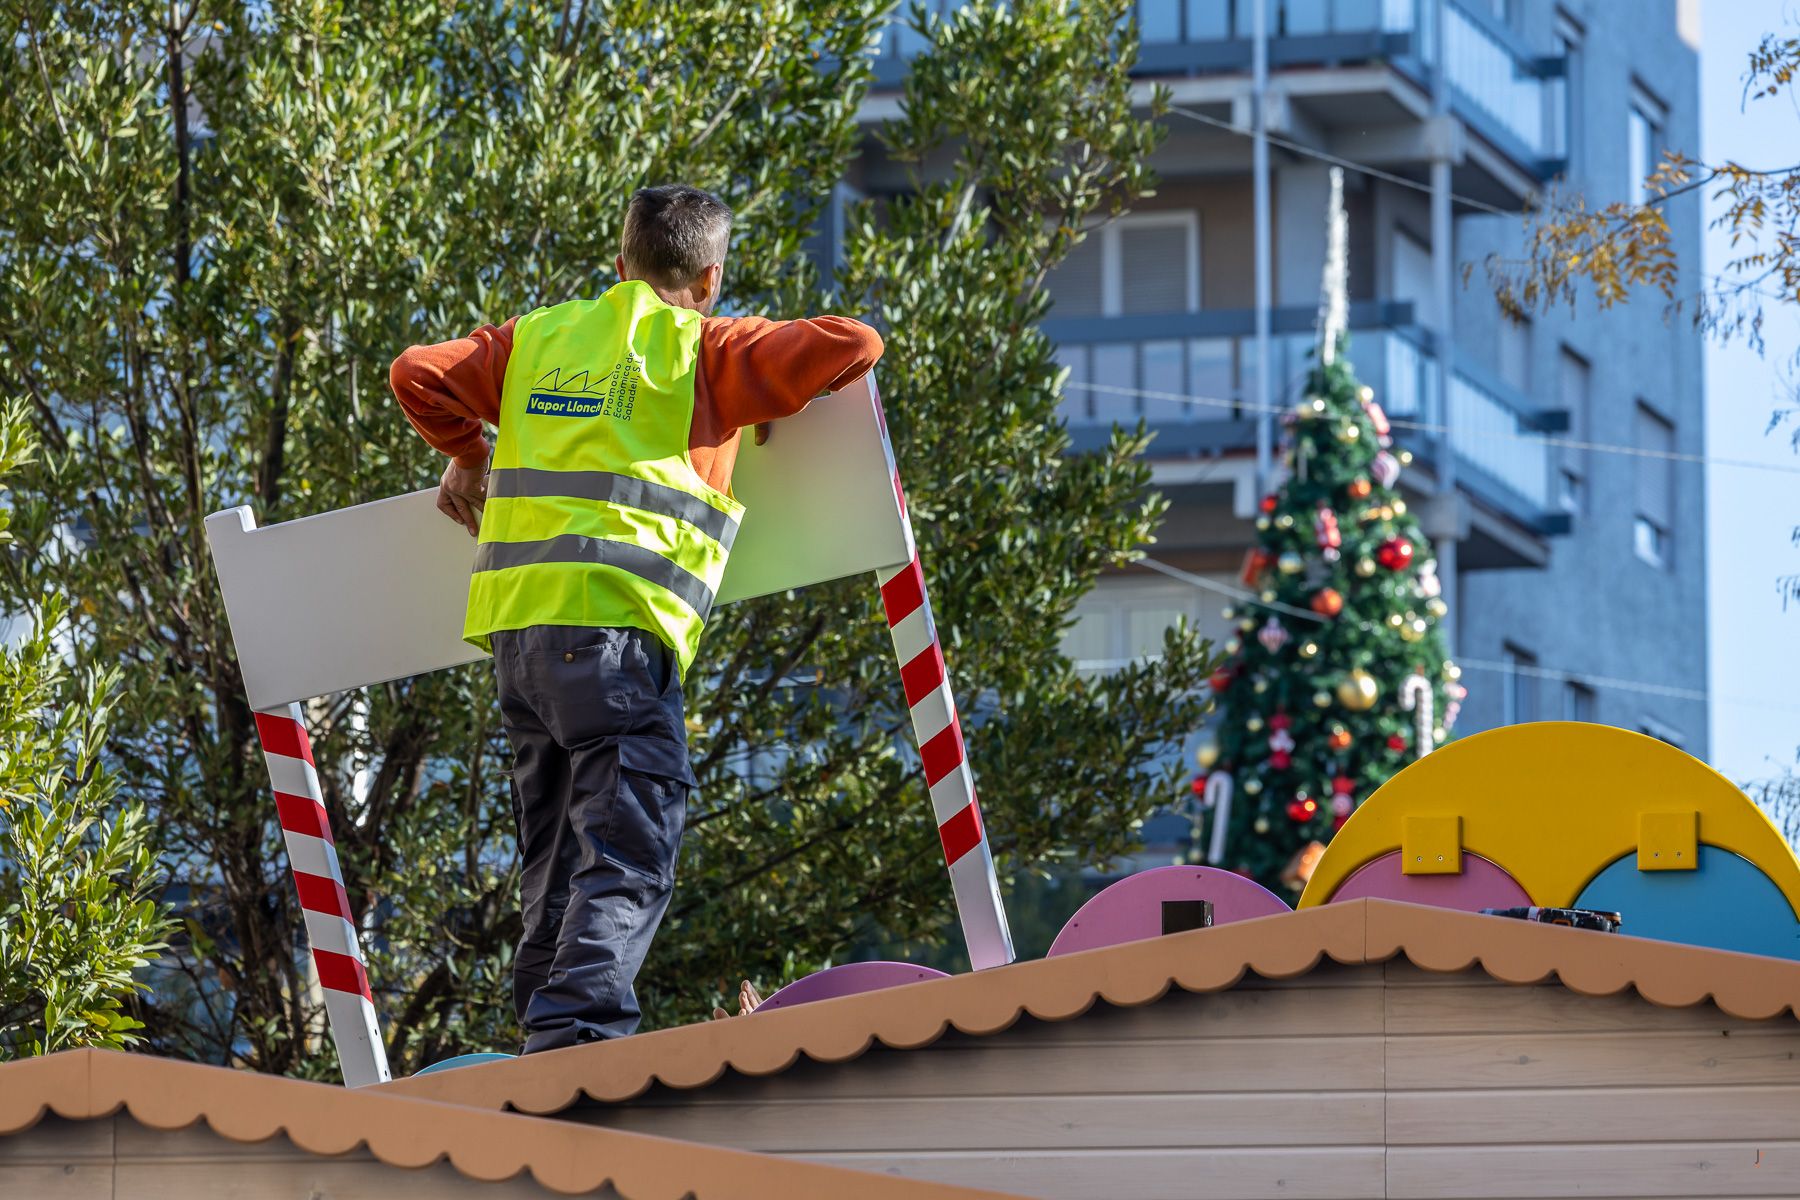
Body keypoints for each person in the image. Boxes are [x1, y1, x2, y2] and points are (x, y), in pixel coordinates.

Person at [389, 184, 883, 1052]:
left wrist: (469, 454)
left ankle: (541, 1025)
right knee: (630, 841)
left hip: (518, 640)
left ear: (618, 267)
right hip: (616, 638)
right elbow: (855, 344)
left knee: (554, 850)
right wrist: (771, 400)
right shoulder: (708, 350)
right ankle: (576, 1039)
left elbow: (415, 374)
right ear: (712, 276)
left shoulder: (536, 339)